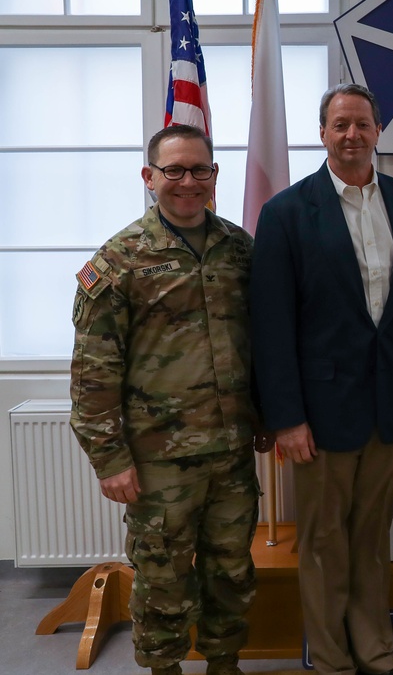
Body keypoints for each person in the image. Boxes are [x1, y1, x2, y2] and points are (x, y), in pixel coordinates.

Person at [249, 83, 393, 675]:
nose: (352, 135)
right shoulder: (286, 213)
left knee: (371, 539)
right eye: (340, 125)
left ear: (378, 131)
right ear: (323, 133)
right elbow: (271, 327)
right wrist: (285, 418)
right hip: (318, 414)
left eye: (362, 124)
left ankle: (375, 650)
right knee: (322, 544)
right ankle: (332, 661)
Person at [70, 124, 265, 675]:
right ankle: (164, 669)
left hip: (230, 451)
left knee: (231, 570)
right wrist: (110, 459)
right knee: (162, 579)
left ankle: (225, 664)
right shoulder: (119, 260)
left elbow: (262, 342)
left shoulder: (240, 250)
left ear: (214, 176)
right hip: (158, 462)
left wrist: (268, 417)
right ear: (149, 177)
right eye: (173, 170)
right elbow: (93, 372)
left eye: (199, 169)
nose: (187, 182)